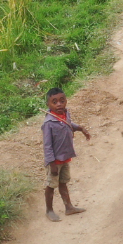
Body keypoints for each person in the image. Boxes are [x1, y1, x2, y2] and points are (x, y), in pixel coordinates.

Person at [42, 87, 91, 221]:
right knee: (51, 185)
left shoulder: (65, 114)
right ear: (48, 105)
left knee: (63, 182)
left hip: (65, 157)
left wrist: (81, 128)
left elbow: (69, 124)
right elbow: (47, 146)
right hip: (54, 161)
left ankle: (69, 207)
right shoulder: (48, 123)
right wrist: (51, 164)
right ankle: (49, 210)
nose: (59, 104)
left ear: (66, 101)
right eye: (54, 102)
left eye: (62, 101)